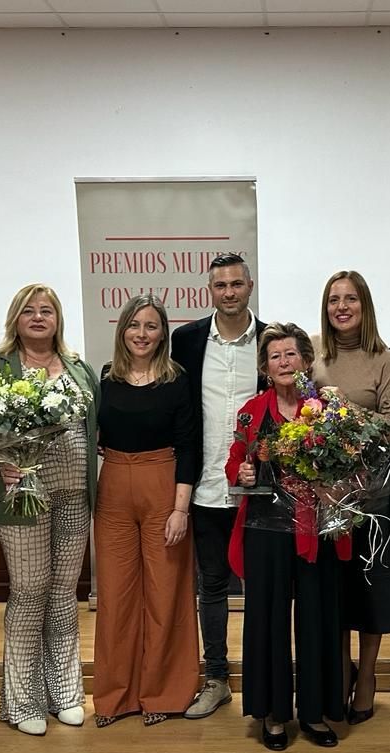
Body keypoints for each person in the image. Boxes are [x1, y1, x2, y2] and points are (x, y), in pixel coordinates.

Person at [0, 284, 100, 736]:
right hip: (23, 496)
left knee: (64, 592)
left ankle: (65, 692)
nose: (38, 317)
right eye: (28, 310)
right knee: (30, 590)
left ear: (57, 319)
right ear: (16, 318)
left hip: (74, 494)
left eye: (46, 310)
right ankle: (22, 700)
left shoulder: (79, 369)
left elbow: (95, 427)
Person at [225, 323, 349, 750]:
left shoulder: (328, 409)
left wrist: (334, 481)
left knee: (317, 616)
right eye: (275, 356)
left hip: (316, 527)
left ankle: (314, 712)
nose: (283, 362)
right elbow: (235, 463)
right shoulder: (251, 412)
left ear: (306, 361)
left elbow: (348, 464)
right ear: (265, 366)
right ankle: (274, 714)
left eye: (291, 354)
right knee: (268, 618)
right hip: (266, 530)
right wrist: (242, 471)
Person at [92, 294, 201, 727]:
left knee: (165, 593)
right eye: (134, 325)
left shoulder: (177, 379)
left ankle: (163, 693)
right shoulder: (106, 377)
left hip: (163, 486)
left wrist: (180, 510)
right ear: (122, 331)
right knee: (115, 596)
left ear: (163, 333)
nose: (142, 334)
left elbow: (189, 445)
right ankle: (114, 697)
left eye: (151, 326)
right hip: (114, 487)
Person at [171, 253, 266, 720]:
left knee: (262, 588)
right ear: (209, 290)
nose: (229, 292)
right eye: (220, 285)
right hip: (207, 485)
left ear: (250, 286)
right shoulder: (186, 340)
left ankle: (264, 680)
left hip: (260, 490)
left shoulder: (271, 340)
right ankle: (217, 679)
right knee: (210, 585)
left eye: (236, 284)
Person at [312, 270, 390, 725]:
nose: (342, 307)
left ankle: (366, 675)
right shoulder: (313, 355)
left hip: (372, 498)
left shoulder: (385, 361)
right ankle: (339, 670)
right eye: (334, 299)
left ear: (364, 306)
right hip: (323, 498)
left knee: (371, 592)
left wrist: (343, 410)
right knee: (333, 594)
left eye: (350, 299)